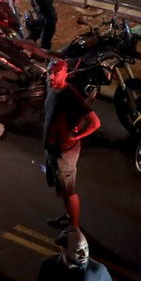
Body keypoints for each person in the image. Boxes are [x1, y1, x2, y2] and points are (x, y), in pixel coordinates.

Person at [42, 58, 101, 230]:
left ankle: (74, 228)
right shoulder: (51, 88)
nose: (51, 76)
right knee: (61, 188)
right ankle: (69, 217)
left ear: (65, 74)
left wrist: (77, 137)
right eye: (49, 72)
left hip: (64, 152)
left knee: (68, 192)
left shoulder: (70, 96)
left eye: (56, 73)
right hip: (52, 147)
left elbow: (95, 122)